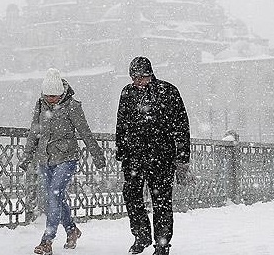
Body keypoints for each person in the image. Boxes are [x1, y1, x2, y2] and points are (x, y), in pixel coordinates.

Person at [19, 68, 106, 255]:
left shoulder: (72, 106)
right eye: (47, 95)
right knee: (56, 197)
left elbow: (85, 132)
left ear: (62, 92)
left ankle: (47, 240)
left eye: (54, 96)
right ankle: (71, 230)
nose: (51, 99)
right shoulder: (40, 105)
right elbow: (34, 132)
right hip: (45, 158)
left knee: (54, 194)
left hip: (67, 158)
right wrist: (27, 156)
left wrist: (97, 155)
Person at [115, 57, 191, 255]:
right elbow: (121, 123)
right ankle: (141, 236)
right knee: (132, 196)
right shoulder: (127, 93)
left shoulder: (168, 91)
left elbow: (181, 126)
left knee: (162, 201)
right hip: (134, 157)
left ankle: (162, 243)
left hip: (162, 157)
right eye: (135, 78)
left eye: (142, 77)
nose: (138, 81)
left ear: (150, 74)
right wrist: (121, 150)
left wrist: (182, 156)